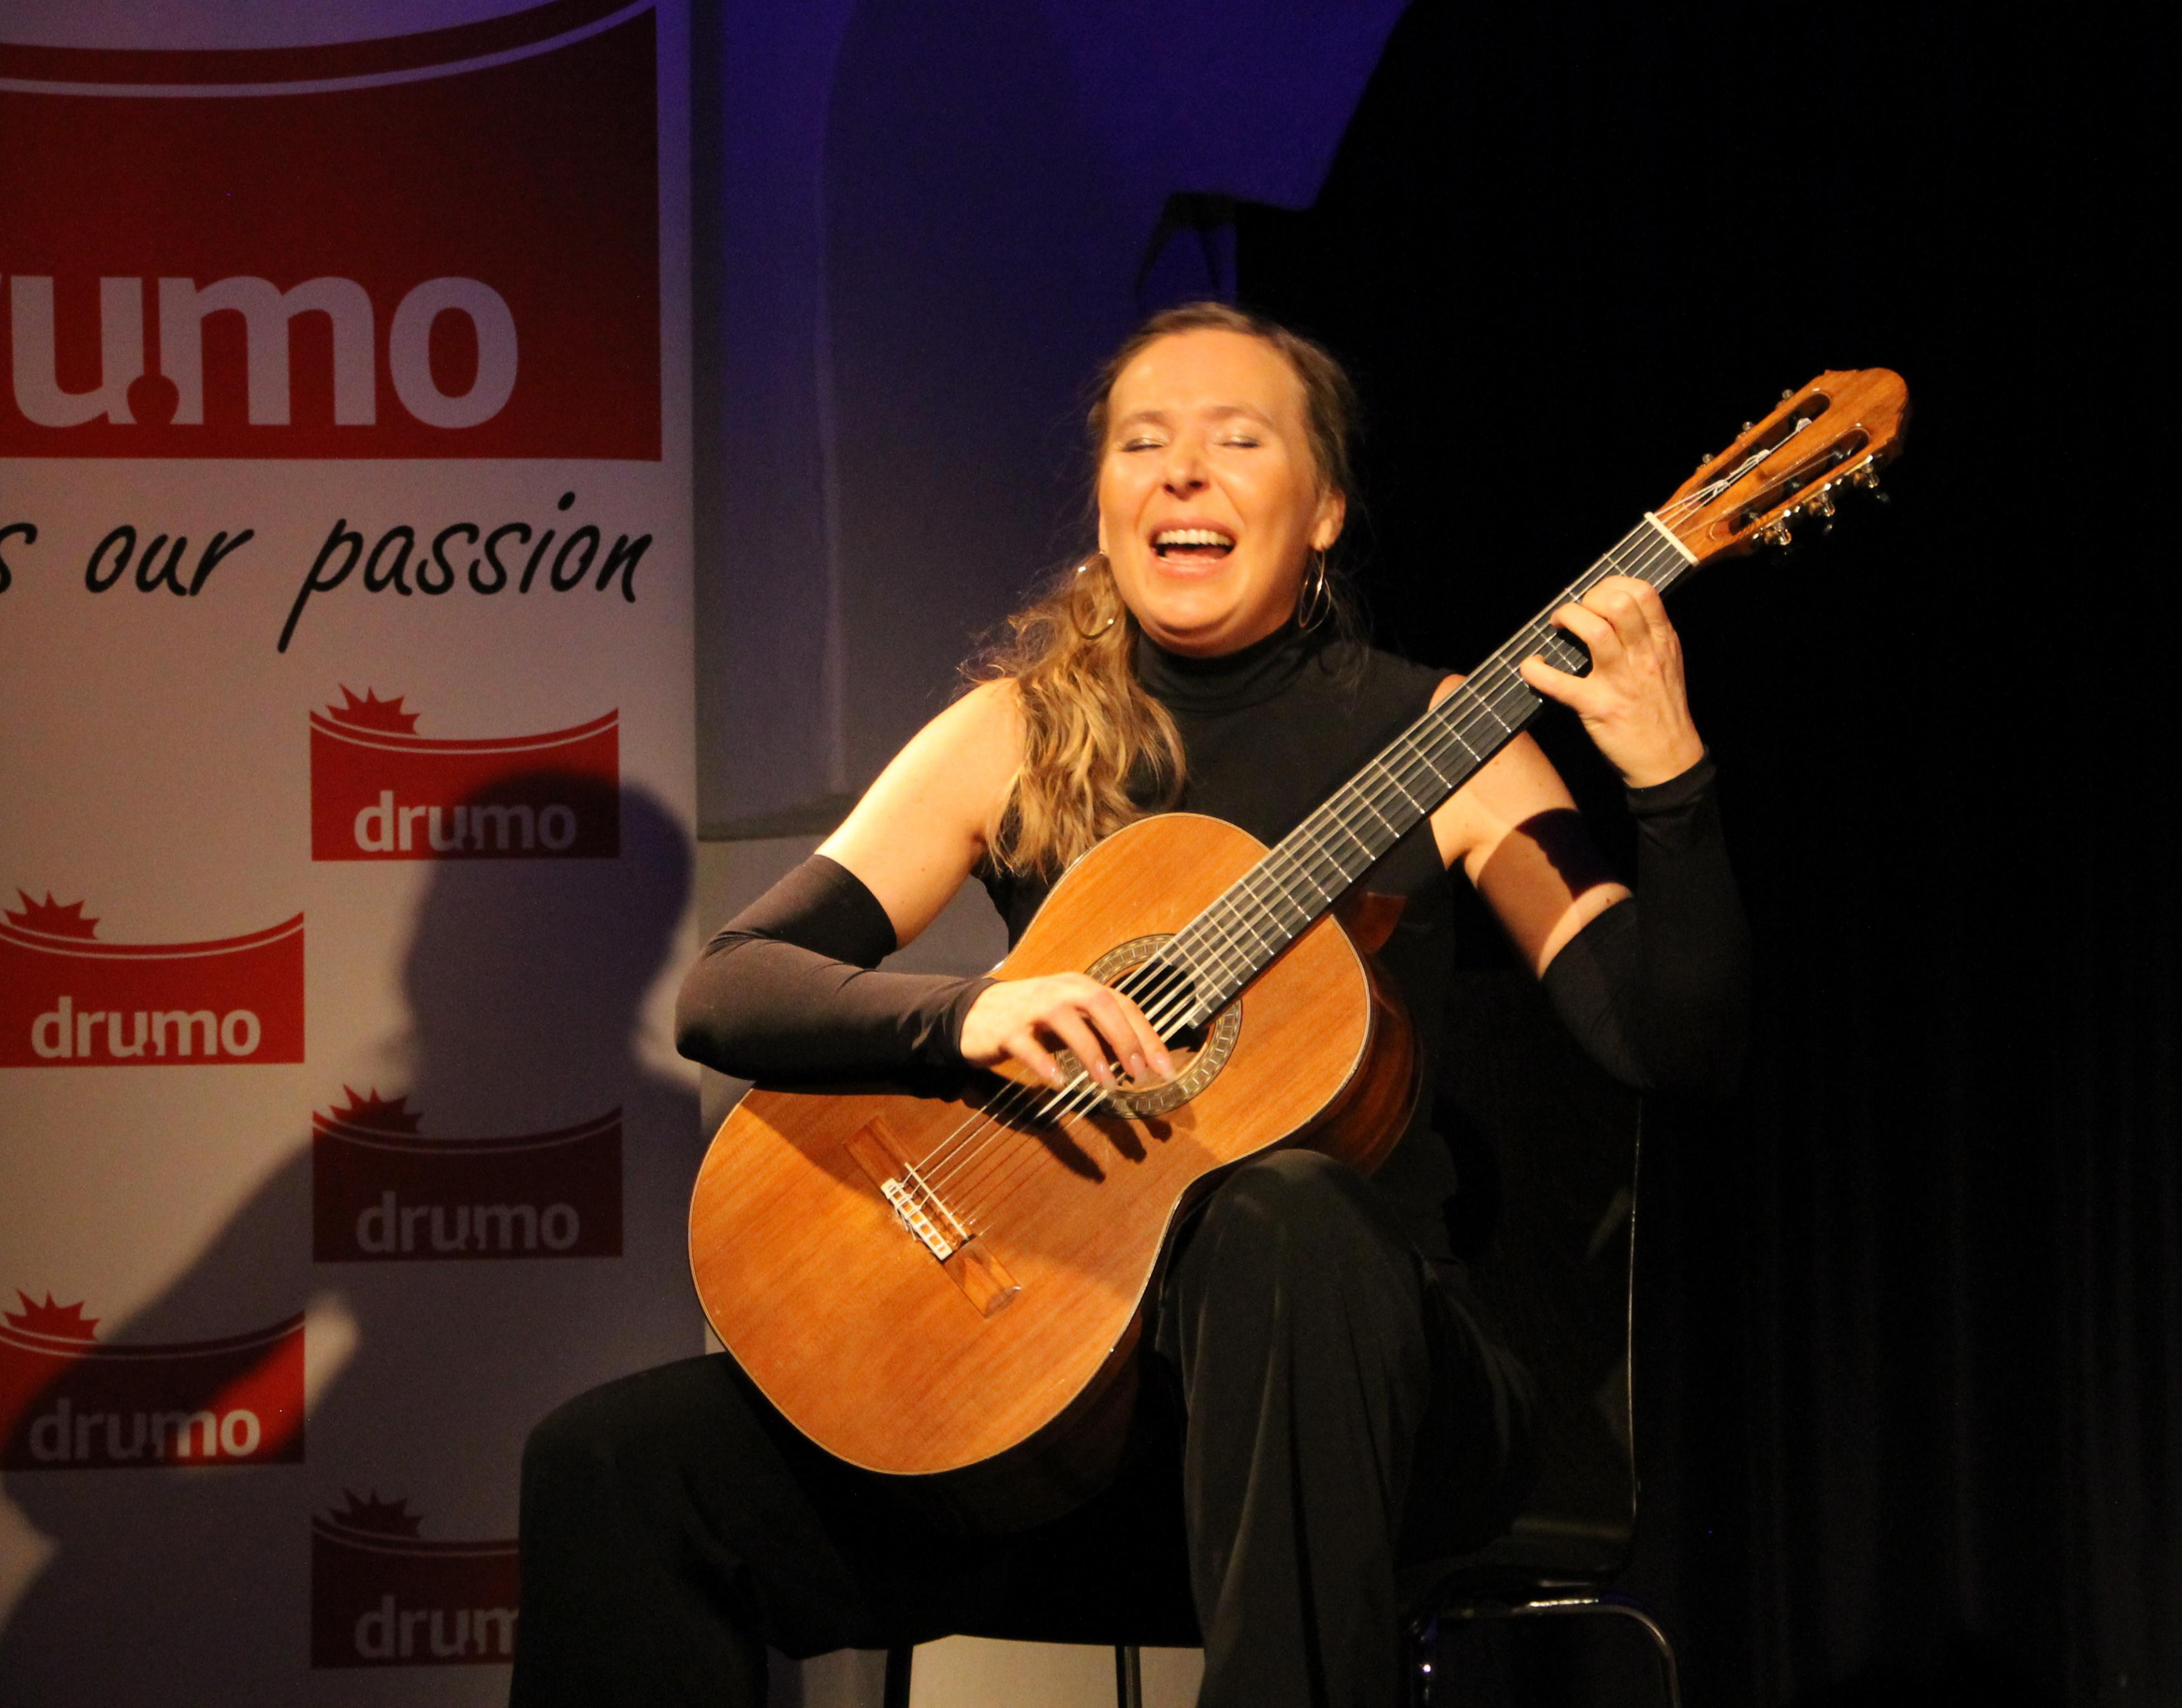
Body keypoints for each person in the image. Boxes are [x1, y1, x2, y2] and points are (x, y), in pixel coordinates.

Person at [510, 302, 1749, 1707]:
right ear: (1104, 505)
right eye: (1142, 442)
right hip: (1052, 1411)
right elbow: (730, 987)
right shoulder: (1020, 733)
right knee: (607, 1468)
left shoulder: (1444, 737)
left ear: (1325, 511)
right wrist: (963, 1019)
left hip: (1363, 1421)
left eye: (1238, 439)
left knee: (1283, 1216)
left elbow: (1673, 1043)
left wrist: (1669, 776)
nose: (1182, 471)